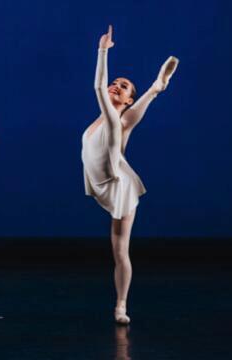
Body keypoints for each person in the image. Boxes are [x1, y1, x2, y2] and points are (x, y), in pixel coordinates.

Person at [81, 25, 178, 324]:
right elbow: (125, 103)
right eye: (116, 83)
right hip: (100, 183)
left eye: (123, 87)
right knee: (118, 250)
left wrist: (102, 51)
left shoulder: (115, 119)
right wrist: (154, 87)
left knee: (120, 251)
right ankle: (154, 88)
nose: (115, 86)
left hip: (119, 187)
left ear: (125, 101)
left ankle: (120, 305)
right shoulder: (108, 119)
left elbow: (98, 86)